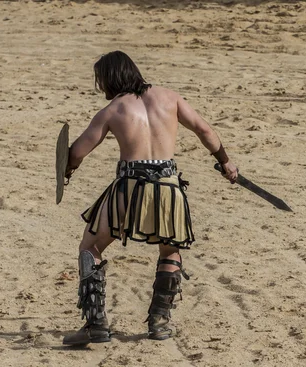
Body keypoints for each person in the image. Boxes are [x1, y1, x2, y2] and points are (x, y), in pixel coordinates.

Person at [62, 51, 238, 345]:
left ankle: (96, 325)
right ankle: (159, 324)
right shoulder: (170, 98)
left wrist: (66, 169)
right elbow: (204, 129)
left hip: (129, 189)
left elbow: (78, 151)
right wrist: (225, 162)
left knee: (90, 246)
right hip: (168, 186)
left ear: (109, 78)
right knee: (170, 252)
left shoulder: (113, 109)